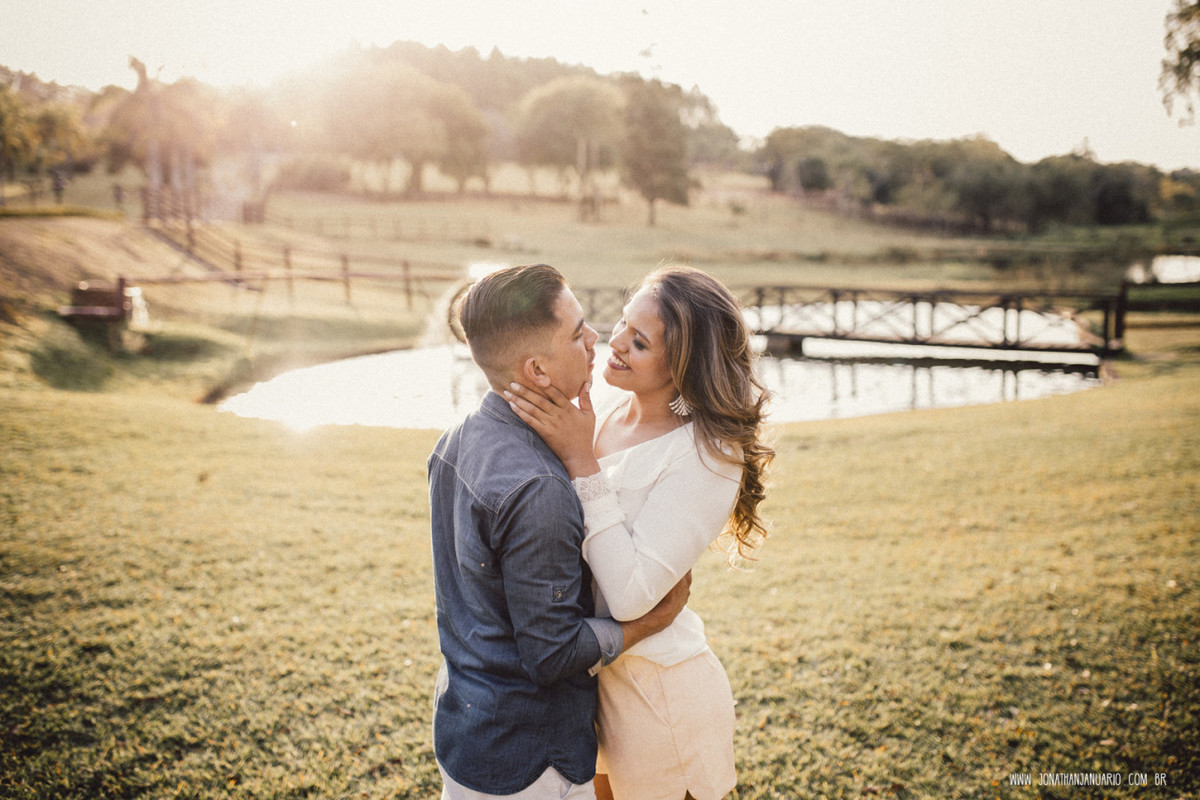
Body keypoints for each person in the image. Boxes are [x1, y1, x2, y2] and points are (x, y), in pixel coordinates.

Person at [504, 265, 775, 800]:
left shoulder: (708, 456)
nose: (616, 343)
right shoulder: (602, 410)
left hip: (660, 696)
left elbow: (629, 597)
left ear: (684, 366)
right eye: (624, 324)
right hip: (591, 685)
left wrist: (581, 460)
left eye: (641, 342)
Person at [428, 263, 693, 799]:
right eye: (577, 333)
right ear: (538, 372)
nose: (596, 337)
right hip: (530, 764)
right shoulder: (540, 488)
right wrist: (648, 623)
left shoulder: (455, 440)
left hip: (466, 731)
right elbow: (550, 654)